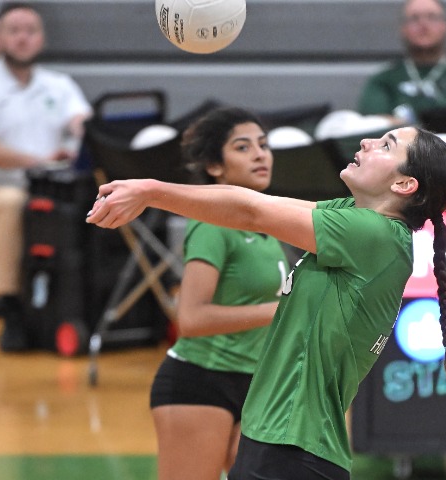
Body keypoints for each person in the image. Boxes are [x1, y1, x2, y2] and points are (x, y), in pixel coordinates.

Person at [86, 125, 446, 479]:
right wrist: (151, 190)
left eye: (386, 145)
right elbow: (256, 202)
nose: (367, 142)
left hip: (292, 450)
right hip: (277, 441)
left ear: (403, 184)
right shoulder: (353, 216)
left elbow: (252, 213)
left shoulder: (376, 234)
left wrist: (151, 192)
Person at [149, 107, 290, 480]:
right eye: (243, 148)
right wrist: (280, 311)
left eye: (263, 145)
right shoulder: (212, 224)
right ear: (215, 167)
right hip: (201, 381)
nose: (259, 155)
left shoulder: (268, 225)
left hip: (256, 383)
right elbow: (191, 319)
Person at [0, 2, 92, 351]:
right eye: (14, 30)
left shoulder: (60, 85)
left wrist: (85, 133)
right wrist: (41, 161)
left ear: (41, 38)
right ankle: (11, 303)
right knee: (14, 204)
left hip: (54, 192)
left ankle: (88, 303)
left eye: (30, 31)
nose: (23, 38)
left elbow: (84, 126)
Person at [357, 0, 446, 122]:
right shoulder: (383, 80)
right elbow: (371, 126)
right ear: (403, 29)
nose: (423, 25)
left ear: (445, 26)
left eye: (432, 17)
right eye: (414, 18)